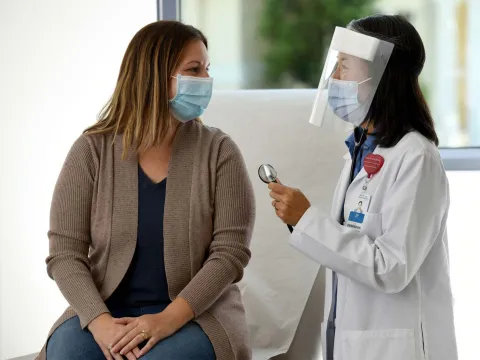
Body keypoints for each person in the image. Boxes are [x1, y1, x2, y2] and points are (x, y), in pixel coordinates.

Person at [38, 20, 255, 360]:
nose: (206, 81)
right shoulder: (91, 150)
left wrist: (168, 320)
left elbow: (230, 253)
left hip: (194, 316)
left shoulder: (220, 152)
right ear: (154, 75)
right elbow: (65, 252)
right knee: (67, 354)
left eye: (206, 69)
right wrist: (100, 322)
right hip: (108, 311)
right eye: (193, 70)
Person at [268, 15, 457, 360]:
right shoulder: (362, 148)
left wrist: (308, 219)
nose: (334, 78)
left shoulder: (415, 158)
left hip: (399, 347)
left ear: (381, 74)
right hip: (354, 342)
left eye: (344, 66)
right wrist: (303, 221)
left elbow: (392, 267)